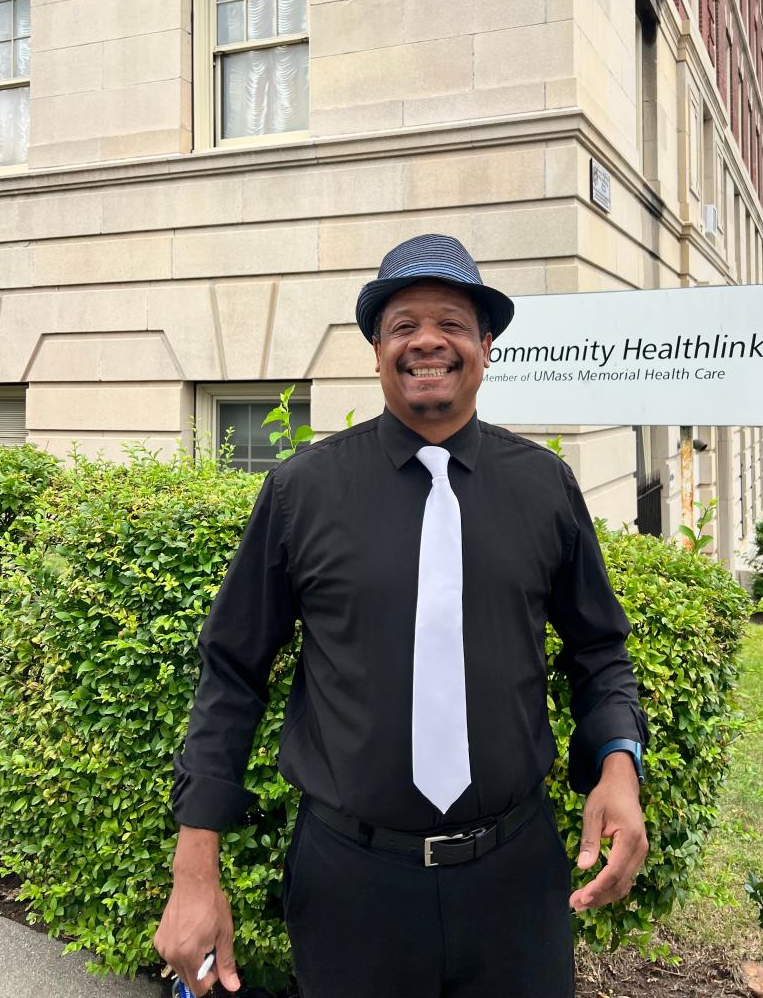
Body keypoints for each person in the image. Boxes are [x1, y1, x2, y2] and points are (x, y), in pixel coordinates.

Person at [154, 233, 649, 998]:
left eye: (451, 322)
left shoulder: (546, 489)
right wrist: (194, 871)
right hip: (351, 887)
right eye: (403, 324)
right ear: (376, 350)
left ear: (486, 346)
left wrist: (619, 764)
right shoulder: (300, 493)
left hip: (515, 883)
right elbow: (231, 673)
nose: (427, 340)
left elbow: (600, 650)